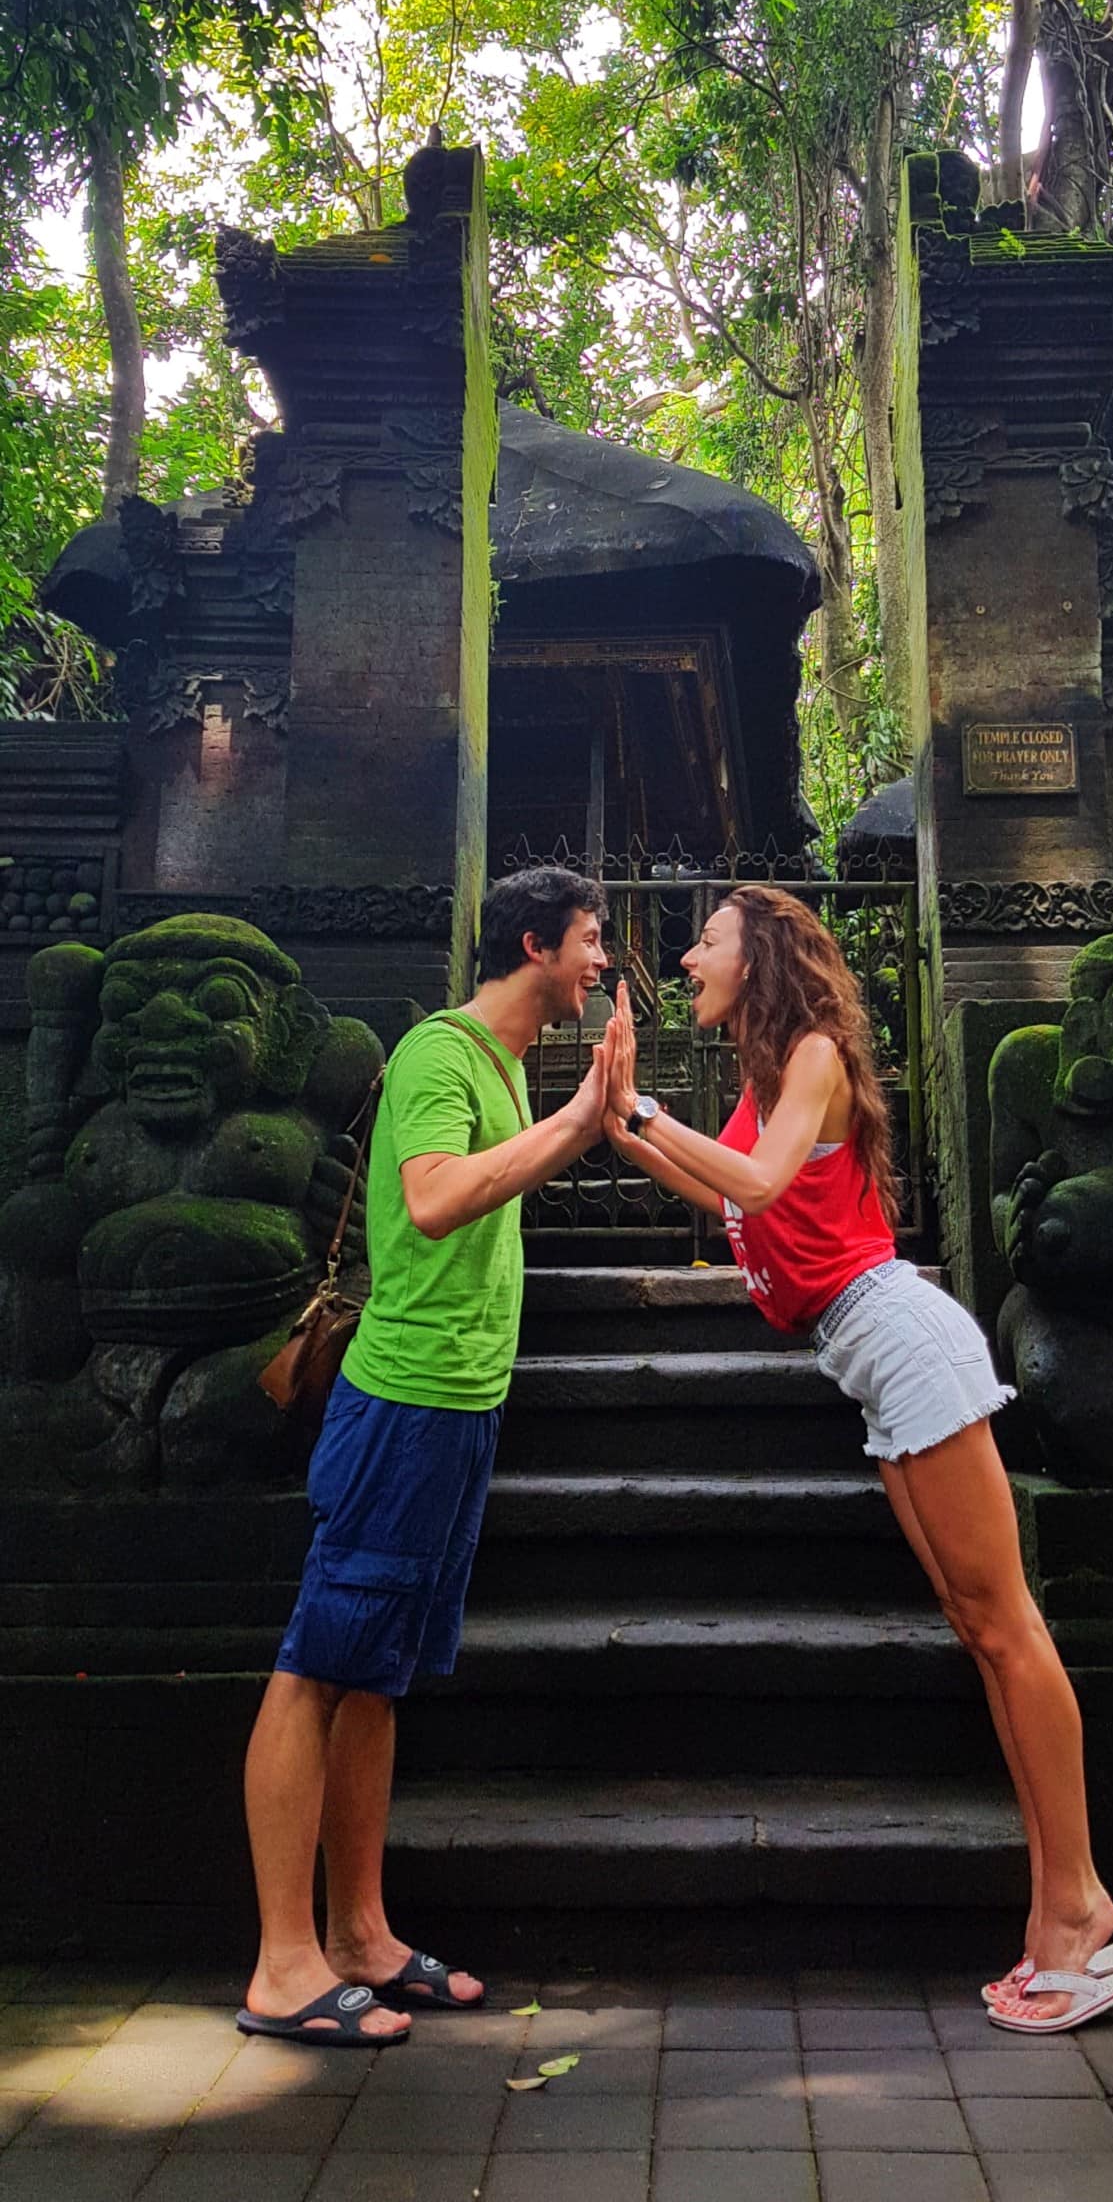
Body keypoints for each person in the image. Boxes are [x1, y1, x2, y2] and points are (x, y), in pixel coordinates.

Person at [602, 883, 1113, 2035]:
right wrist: (619, 1121)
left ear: (761, 956)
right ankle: (1058, 1911)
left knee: (1007, 1626)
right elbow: (726, 1195)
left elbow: (758, 1181)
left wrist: (644, 1108)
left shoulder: (812, 1053)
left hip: (902, 1340)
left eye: (707, 939)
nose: (688, 957)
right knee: (982, 1632)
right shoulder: (764, 1080)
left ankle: (1080, 1907)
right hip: (869, 1356)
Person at [238, 866, 610, 2047]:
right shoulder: (441, 1052)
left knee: (377, 1673)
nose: (603, 962)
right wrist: (576, 1125)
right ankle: (282, 1966)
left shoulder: (505, 1064)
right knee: (318, 1660)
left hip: (461, 1403)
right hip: (401, 1398)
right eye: (591, 938)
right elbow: (439, 1198)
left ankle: (360, 1934)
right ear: (535, 943)